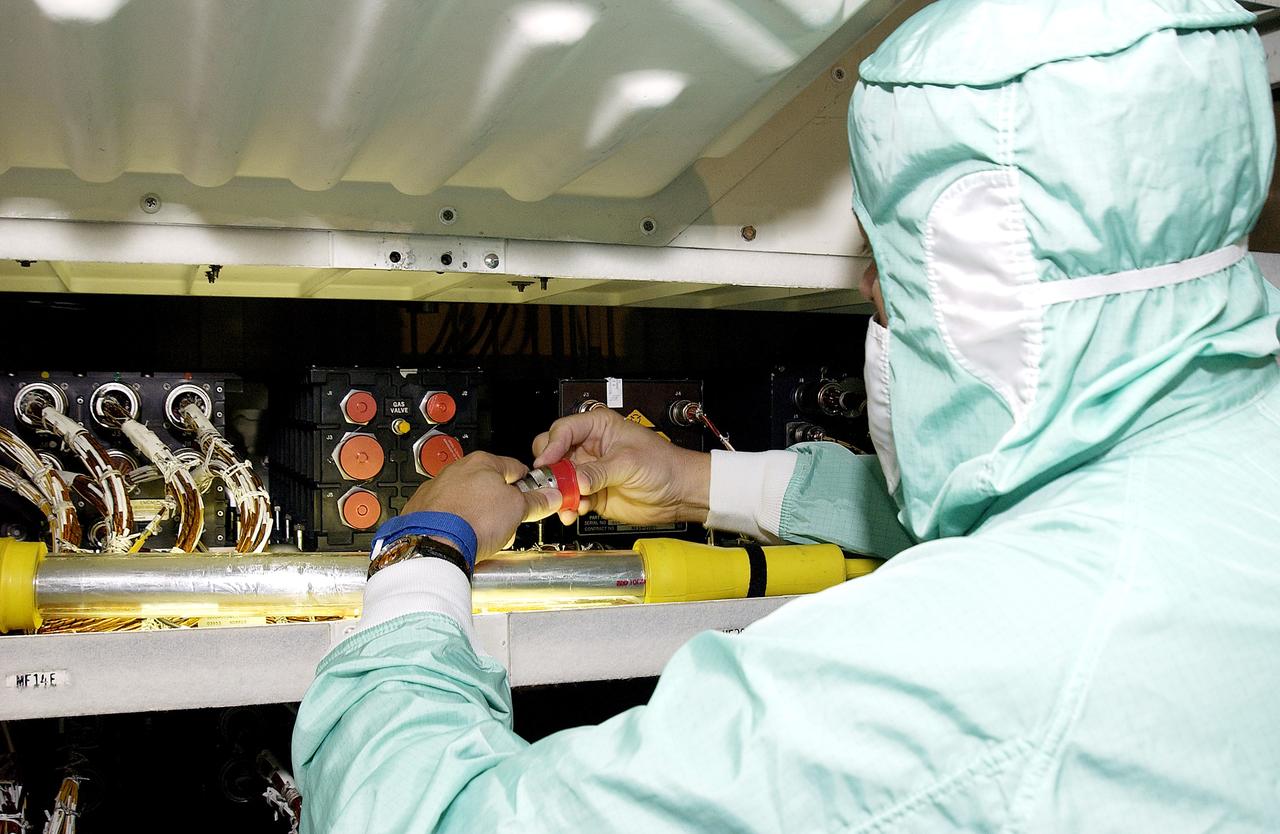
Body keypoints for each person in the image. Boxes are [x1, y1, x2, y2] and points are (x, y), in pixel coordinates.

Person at [292, 1, 1280, 830]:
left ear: (980, 293)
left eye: (893, 271)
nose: (865, 289)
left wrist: (422, 548)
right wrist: (692, 481)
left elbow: (430, 818)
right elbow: (1051, 509)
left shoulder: (973, 667)